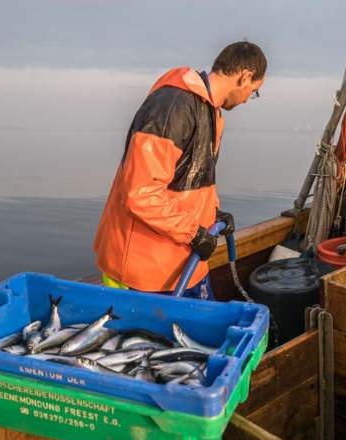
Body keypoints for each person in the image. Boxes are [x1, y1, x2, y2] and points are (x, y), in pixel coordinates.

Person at [93, 41, 267, 299]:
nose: (248, 100)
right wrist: (195, 234)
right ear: (245, 76)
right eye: (254, 91)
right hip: (143, 273)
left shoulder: (209, 111)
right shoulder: (173, 107)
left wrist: (213, 214)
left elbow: (187, 182)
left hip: (182, 263)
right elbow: (141, 193)